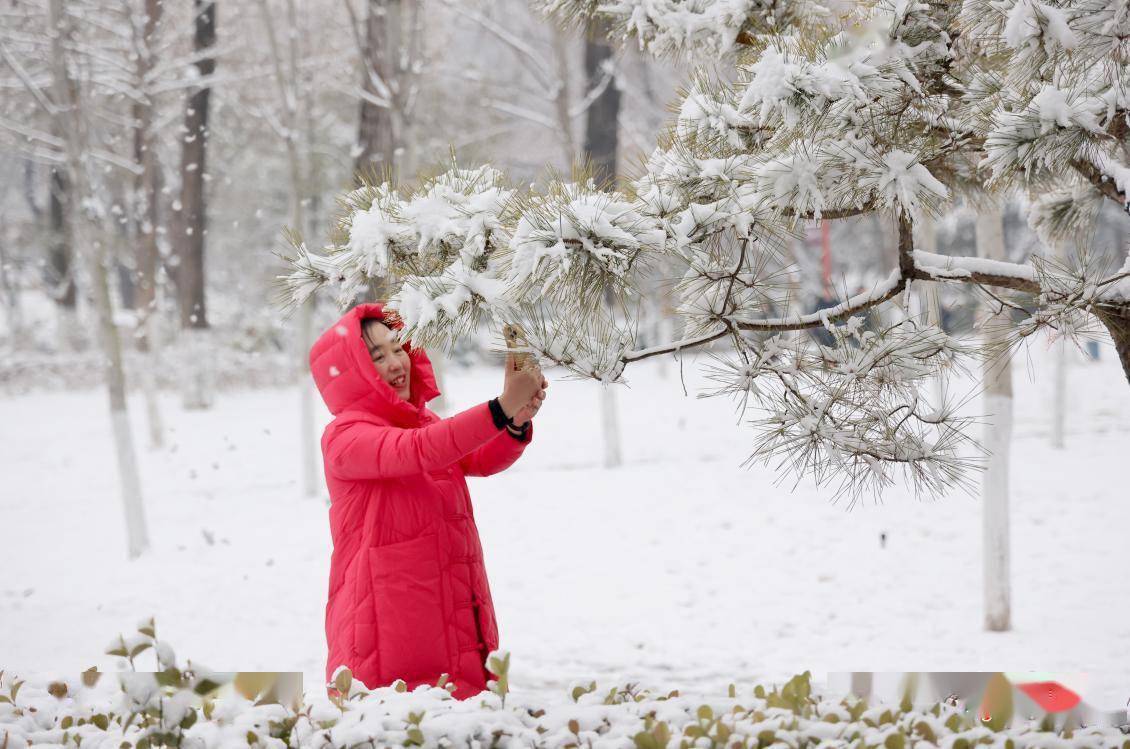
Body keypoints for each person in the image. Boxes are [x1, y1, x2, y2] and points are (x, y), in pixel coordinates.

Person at [309, 302, 547, 698]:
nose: (396, 362)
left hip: (453, 612)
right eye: (377, 356)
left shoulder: (423, 423)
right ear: (353, 372)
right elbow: (419, 451)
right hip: (387, 633)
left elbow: (480, 457)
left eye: (399, 347)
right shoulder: (345, 437)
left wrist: (516, 419)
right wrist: (500, 407)